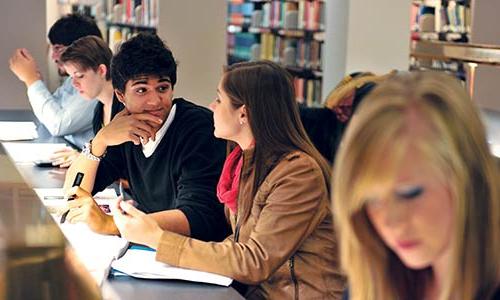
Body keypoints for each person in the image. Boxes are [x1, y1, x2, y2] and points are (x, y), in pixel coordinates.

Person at [112, 61, 346, 299]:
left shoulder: (298, 174)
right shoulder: (244, 163)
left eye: (219, 99)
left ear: (243, 113)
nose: (212, 106)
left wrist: (157, 238)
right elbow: (238, 244)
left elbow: (254, 261)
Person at [332, 72, 500, 299]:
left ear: (466, 176)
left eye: (409, 193)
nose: (390, 221)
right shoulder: (368, 287)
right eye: (371, 200)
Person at [63, 33, 229, 243]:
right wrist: (101, 141)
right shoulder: (125, 129)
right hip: (151, 249)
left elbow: (198, 217)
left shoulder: (198, 128)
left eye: (162, 88)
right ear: (121, 95)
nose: (154, 101)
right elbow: (74, 193)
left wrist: (112, 224)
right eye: (141, 90)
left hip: (195, 252)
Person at [8, 14, 100, 150]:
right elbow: (49, 114)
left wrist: (31, 80)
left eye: (58, 49)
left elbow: (58, 125)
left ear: (82, 48)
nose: (53, 56)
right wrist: (35, 79)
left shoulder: (95, 82)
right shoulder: (72, 79)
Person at [56, 36, 124, 167]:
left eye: (79, 76)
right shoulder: (100, 109)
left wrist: (86, 159)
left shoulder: (124, 108)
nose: (74, 84)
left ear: (102, 70)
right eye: (71, 77)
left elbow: (123, 167)